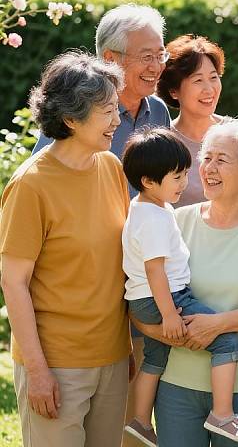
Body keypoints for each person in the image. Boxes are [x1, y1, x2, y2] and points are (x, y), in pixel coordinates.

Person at [131, 118, 238, 446]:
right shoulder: (174, 220)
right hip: (177, 382)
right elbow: (139, 293)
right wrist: (161, 330)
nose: (208, 168)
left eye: (222, 160)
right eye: (206, 157)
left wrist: (215, 325)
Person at [0, 52, 131, 447]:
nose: (117, 121)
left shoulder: (111, 168)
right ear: (71, 119)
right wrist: (38, 371)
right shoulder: (31, 185)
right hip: (57, 365)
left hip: (112, 356)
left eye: (117, 109)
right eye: (107, 111)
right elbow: (13, 282)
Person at [32, 3, 172, 198]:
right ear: (109, 58)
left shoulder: (158, 110)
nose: (157, 67)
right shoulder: (78, 110)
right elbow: (41, 177)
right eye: (147, 56)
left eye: (160, 55)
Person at [157, 34, 225, 206]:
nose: (209, 89)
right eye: (198, 80)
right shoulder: (163, 142)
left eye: (213, 77)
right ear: (174, 91)